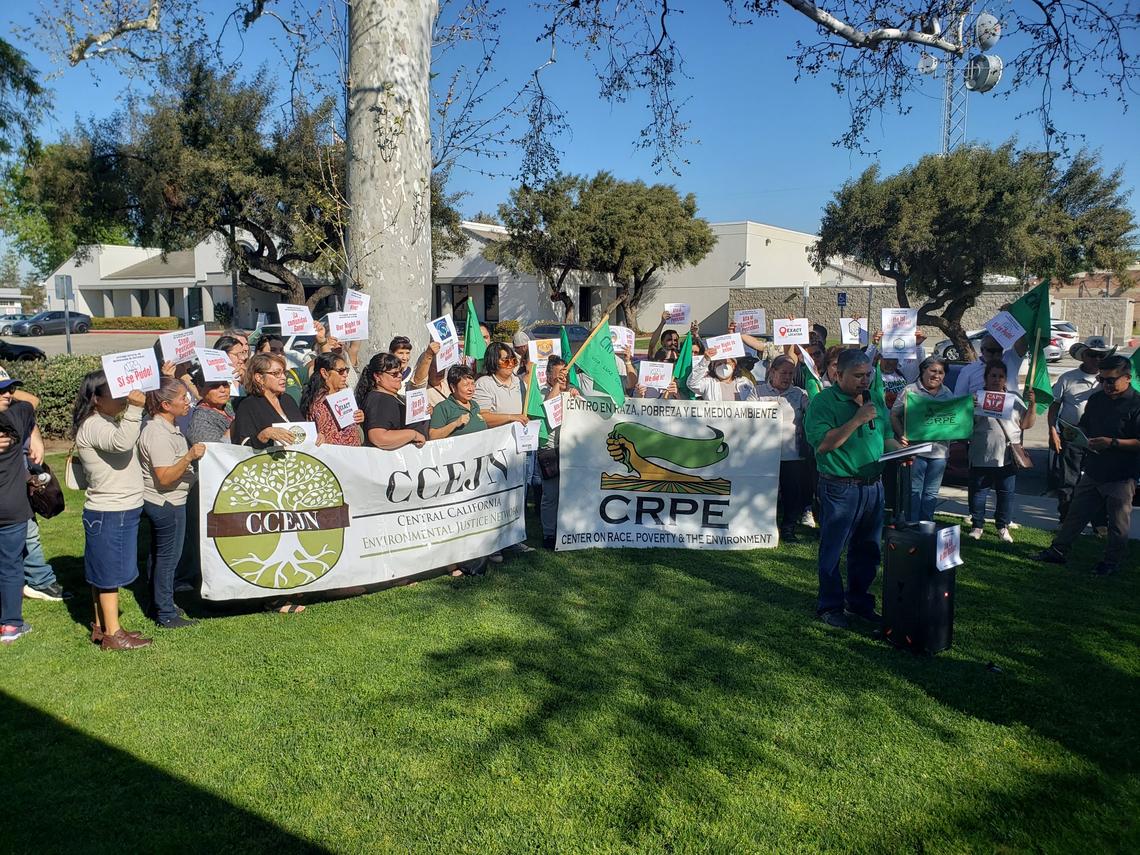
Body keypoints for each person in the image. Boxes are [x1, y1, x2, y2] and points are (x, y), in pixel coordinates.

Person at [804, 349, 894, 628]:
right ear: (838, 374)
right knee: (834, 548)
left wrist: (904, 451)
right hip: (840, 488)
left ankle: (859, 602)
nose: (864, 380)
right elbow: (823, 443)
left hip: (873, 486)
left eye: (868, 375)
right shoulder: (823, 402)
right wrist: (856, 420)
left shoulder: (874, 399)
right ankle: (830, 606)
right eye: (857, 376)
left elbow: (887, 437)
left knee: (868, 549)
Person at [1036, 355, 1139, 575]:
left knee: (1117, 523)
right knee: (1076, 514)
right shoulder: (1096, 399)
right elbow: (1085, 426)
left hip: (1121, 475)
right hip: (1093, 469)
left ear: (1128, 378)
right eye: (1102, 380)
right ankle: (1058, 551)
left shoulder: (1136, 404)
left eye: (1111, 380)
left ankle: (1111, 562)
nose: (1106, 385)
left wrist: (1112, 443)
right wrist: (1076, 435)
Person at [73, 372, 152, 650]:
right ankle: (113, 635)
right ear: (96, 398)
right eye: (116, 393)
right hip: (110, 511)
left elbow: (121, 438)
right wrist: (135, 408)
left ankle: (102, 627)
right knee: (108, 576)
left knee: (103, 572)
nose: (122, 398)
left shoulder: (100, 422)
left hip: (114, 510)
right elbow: (122, 442)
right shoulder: (94, 424)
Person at [139, 378, 206, 628]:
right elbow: (165, 477)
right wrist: (189, 456)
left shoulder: (169, 427)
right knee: (167, 559)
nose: (187, 402)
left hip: (169, 501)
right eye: (182, 398)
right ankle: (166, 613)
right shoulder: (157, 434)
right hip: (167, 502)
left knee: (159, 557)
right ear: (166, 405)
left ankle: (157, 602)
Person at [473, 342, 537, 561]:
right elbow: (482, 416)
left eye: (513, 360)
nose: (511, 364)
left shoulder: (519, 383)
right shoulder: (484, 384)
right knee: (496, 495)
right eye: (505, 360)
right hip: (497, 449)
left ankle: (514, 538)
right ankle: (493, 544)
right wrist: (511, 417)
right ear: (493, 361)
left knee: (519, 493)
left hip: (521, 446)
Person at [965, 361, 1036, 542]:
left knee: (1006, 494)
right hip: (982, 453)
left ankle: (1002, 527)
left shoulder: (1015, 399)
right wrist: (968, 409)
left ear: (1005, 379)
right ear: (986, 378)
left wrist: (1033, 404)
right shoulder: (975, 398)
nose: (997, 380)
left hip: (1007, 455)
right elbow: (964, 427)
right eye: (993, 376)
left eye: (1000, 376)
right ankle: (977, 525)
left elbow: (1026, 424)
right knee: (978, 493)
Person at [1049, 338, 1112, 527]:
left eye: (1101, 355)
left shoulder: (1109, 379)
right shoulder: (1067, 377)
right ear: (1083, 356)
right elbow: (1054, 406)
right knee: (1069, 480)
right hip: (1072, 434)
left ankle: (1099, 524)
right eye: (1092, 354)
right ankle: (1066, 520)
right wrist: (1052, 430)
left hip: (1099, 437)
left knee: (1100, 481)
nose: (1096, 359)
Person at [891, 356, 954, 522]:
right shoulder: (910, 391)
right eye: (933, 371)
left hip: (939, 452)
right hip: (915, 451)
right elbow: (894, 415)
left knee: (931, 493)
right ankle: (912, 525)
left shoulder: (947, 394)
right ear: (923, 371)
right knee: (914, 491)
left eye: (941, 372)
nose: (937, 375)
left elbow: (954, 420)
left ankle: (927, 525)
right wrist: (901, 434)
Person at [0, 370, 37, 644]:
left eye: (9, 389)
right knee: (11, 565)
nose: (8, 395)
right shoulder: (16, 416)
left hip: (11, 509)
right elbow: (32, 400)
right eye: (2, 390)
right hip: (12, 508)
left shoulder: (14, 416)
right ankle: (11, 624)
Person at [756, 355, 809, 541]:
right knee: (763, 491)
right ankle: (760, 525)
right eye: (783, 372)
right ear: (772, 372)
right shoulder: (757, 392)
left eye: (790, 373)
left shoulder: (800, 393)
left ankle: (788, 528)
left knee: (791, 493)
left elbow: (812, 410)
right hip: (764, 453)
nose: (787, 377)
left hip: (791, 453)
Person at [230, 352, 306, 449]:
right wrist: (264, 435)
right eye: (276, 373)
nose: (283, 377)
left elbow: (302, 430)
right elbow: (242, 446)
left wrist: (316, 436)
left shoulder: (287, 399)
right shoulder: (248, 405)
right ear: (259, 378)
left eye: (283, 372)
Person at [354, 352, 427, 450]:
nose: (400, 375)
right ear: (377, 376)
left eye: (400, 371)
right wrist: (413, 435)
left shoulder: (390, 396)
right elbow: (378, 437)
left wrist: (423, 412)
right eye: (394, 374)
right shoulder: (380, 399)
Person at [302, 352, 364, 446]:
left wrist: (358, 417)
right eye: (340, 371)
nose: (345, 375)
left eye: (346, 370)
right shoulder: (320, 403)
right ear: (324, 373)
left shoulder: (344, 395)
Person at [953, 333, 1026, 396]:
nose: (996, 354)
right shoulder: (968, 370)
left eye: (999, 350)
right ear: (982, 350)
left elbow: (1022, 342)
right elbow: (958, 398)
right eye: (991, 351)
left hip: (1011, 408)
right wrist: (970, 401)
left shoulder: (1010, 359)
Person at [429, 364, 487, 439]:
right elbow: (433, 435)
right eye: (466, 385)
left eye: (472, 384)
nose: (471, 389)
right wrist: (455, 424)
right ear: (453, 387)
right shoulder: (442, 408)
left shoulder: (475, 405)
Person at [256, 333, 308, 405]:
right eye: (273, 350)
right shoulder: (250, 380)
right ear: (259, 353)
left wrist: (322, 343)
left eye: (281, 350)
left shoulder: (293, 374)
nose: (279, 354)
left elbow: (324, 367)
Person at [186, 371, 234, 445]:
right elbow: (213, 451)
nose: (223, 390)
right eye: (214, 386)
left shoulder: (229, 406)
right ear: (200, 390)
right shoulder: (200, 420)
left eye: (225, 384)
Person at [686, 352, 757, 401]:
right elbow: (692, 384)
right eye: (719, 363)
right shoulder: (708, 383)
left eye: (726, 363)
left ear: (733, 365)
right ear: (714, 367)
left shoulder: (744, 382)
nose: (723, 366)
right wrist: (705, 360)